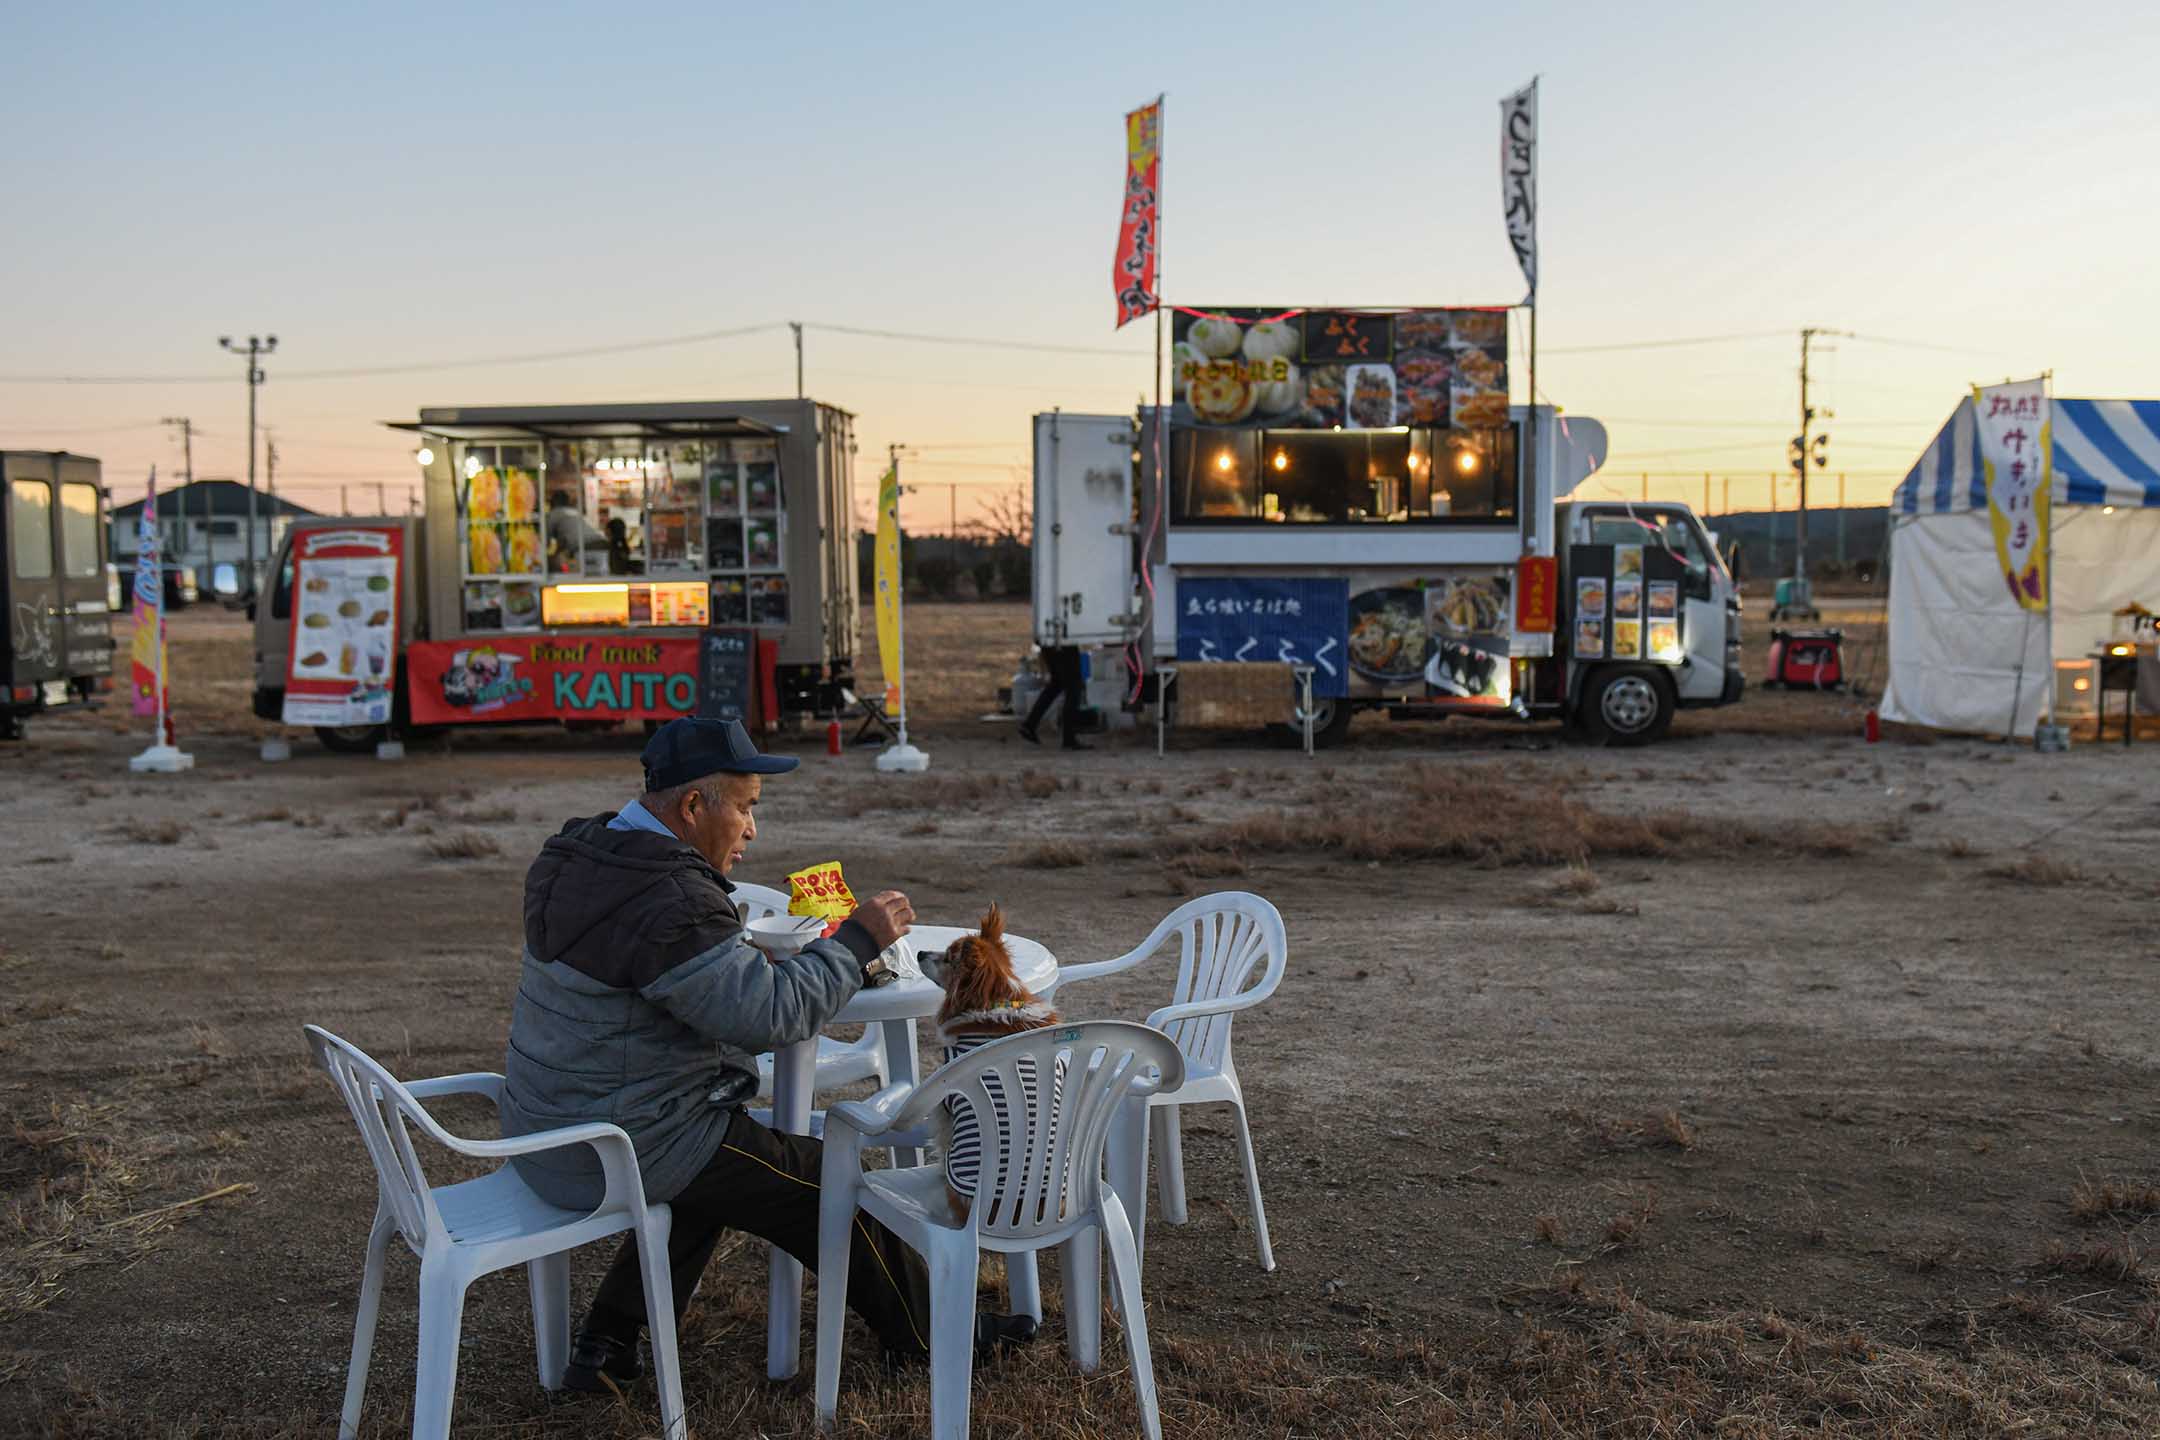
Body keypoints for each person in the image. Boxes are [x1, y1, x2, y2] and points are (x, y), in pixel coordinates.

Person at [498, 717, 1033, 1390]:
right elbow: (770, 1015)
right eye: (746, 807)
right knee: (823, 1179)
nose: (753, 829)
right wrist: (855, 942)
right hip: (620, 1144)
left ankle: (608, 1343)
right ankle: (933, 1337)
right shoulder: (666, 901)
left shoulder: (577, 854)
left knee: (726, 1163)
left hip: (543, 1126)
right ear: (693, 807)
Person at [1018, 644, 1088, 750]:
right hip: (1063, 642)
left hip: (1048, 642)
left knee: (1057, 684)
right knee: (1073, 686)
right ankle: (1069, 738)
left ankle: (1030, 725)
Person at [546, 488, 602, 574]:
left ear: (553, 503)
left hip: (582, 547)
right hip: (600, 542)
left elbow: (546, 541)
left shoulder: (554, 514)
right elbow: (564, 540)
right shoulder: (576, 512)